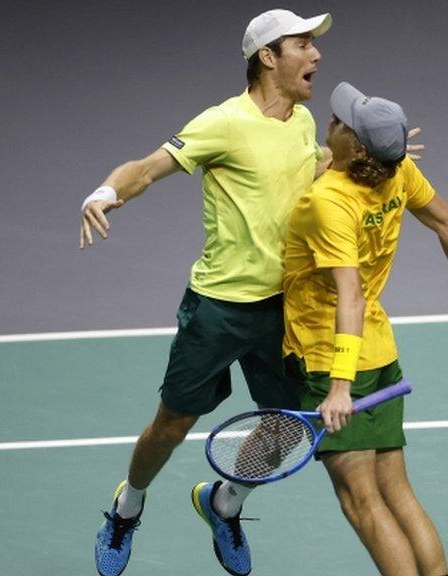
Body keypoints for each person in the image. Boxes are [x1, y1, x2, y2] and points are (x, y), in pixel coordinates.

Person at [81, 10, 335, 576]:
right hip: (218, 307)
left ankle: (224, 502)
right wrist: (104, 191)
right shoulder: (223, 122)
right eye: (302, 45)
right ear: (268, 57)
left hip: (284, 306)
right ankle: (127, 507)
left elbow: (304, 174)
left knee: (289, 423)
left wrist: (350, 160)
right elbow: (147, 168)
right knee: (171, 425)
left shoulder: (303, 121)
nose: (316, 55)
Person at [282, 82, 448, 576]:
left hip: (328, 352)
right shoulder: (399, 170)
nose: (331, 124)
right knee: (397, 493)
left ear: (357, 147)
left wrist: (339, 386)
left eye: (340, 124)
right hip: (380, 352)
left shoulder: (329, 201)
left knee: (363, 504)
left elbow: (350, 295)